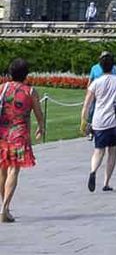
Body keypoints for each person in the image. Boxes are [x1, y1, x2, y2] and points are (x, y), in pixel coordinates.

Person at [0, 58, 45, 222]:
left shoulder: (2, 88)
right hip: (19, 135)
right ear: (26, 74)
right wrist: (41, 127)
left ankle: (4, 207)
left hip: (2, 134)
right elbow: (39, 114)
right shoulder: (30, 91)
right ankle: (5, 208)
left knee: (2, 169)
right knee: (13, 170)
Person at [81, 50, 116, 193]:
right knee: (112, 152)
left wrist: (83, 120)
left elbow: (87, 104)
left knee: (98, 150)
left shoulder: (96, 83)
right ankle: (106, 182)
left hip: (99, 120)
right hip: (115, 120)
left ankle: (93, 170)